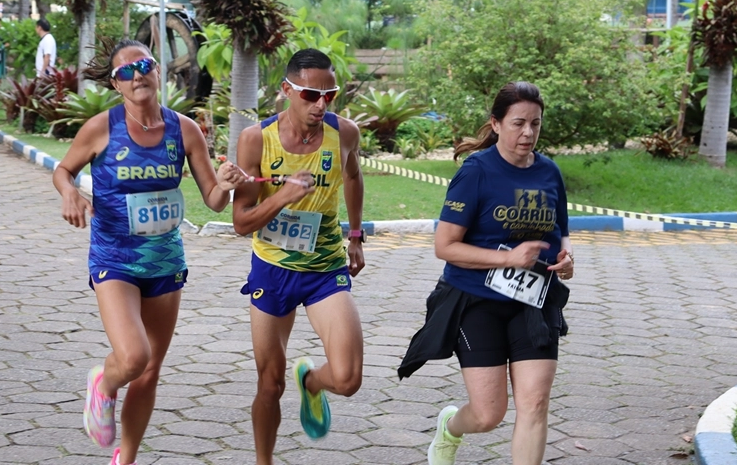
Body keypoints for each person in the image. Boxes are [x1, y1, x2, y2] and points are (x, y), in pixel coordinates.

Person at [53, 39, 246, 465]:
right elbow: (63, 169)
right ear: (115, 84)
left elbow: (212, 198)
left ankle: (127, 456)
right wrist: (70, 193)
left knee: (150, 369)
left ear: (158, 72)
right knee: (134, 357)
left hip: (165, 261)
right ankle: (103, 383)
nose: (136, 74)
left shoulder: (184, 129)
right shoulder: (101, 128)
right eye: (125, 71)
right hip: (114, 258)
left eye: (144, 65)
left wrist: (227, 184)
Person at [397, 82, 575, 465]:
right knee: (488, 414)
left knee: (535, 403)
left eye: (535, 124)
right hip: (477, 301)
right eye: (517, 123)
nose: (527, 133)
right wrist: (508, 259)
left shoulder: (549, 173)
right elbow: (445, 246)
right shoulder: (476, 172)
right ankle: (450, 426)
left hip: (534, 302)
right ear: (495, 124)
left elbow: (560, 232)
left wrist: (566, 258)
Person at [232, 48, 366, 464]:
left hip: (325, 269)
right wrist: (286, 195)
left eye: (330, 95)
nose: (321, 104)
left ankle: (311, 382)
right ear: (287, 90)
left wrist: (357, 234)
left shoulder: (343, 133)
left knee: (347, 378)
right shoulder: (257, 139)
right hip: (271, 270)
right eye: (310, 95)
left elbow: (353, 175)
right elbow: (241, 221)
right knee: (269, 383)